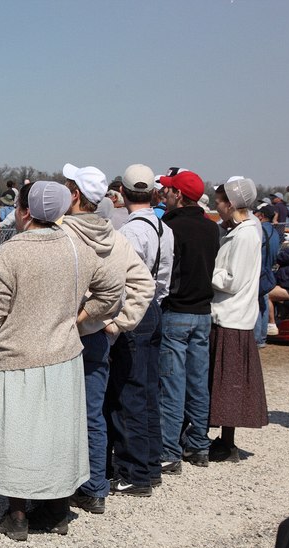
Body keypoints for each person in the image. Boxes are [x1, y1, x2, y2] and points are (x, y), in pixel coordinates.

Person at [0, 181, 119, 541]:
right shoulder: (75, 247)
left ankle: (18, 514)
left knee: (17, 436)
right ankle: (57, 512)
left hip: (16, 356)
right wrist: (80, 318)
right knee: (59, 434)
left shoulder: (11, 252)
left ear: (23, 211)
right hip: (63, 354)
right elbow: (113, 288)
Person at [59, 165, 152, 515]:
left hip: (62, 335)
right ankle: (95, 487)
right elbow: (144, 284)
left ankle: (60, 485)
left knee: (57, 414)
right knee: (93, 415)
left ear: (75, 195)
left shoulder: (61, 233)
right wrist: (115, 323)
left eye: (67, 186)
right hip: (96, 335)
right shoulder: (114, 235)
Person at [105, 163, 174, 497]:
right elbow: (161, 279)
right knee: (148, 391)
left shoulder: (130, 232)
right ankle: (150, 463)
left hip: (135, 310)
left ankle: (134, 471)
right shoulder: (163, 227)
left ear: (123, 193)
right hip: (156, 307)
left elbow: (125, 280)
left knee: (129, 392)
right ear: (153, 193)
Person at [156, 169, 221, 474]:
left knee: (172, 382)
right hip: (203, 313)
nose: (164, 194)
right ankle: (198, 443)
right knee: (198, 381)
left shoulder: (169, 226)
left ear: (178, 195)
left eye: (169, 191)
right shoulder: (212, 229)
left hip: (177, 311)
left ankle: (169, 449)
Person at [208, 177, 268, 462]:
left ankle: (228, 443)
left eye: (218, 202)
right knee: (227, 383)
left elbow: (232, 280)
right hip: (232, 314)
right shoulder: (242, 231)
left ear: (230, 204)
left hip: (232, 316)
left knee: (228, 384)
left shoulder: (245, 235)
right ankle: (225, 440)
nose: (215, 206)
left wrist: (207, 271)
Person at [253, 204, 281, 347]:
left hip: (258, 272)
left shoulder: (260, 231)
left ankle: (256, 339)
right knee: (263, 303)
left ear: (261, 215)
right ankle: (262, 337)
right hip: (268, 272)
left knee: (256, 306)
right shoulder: (275, 233)